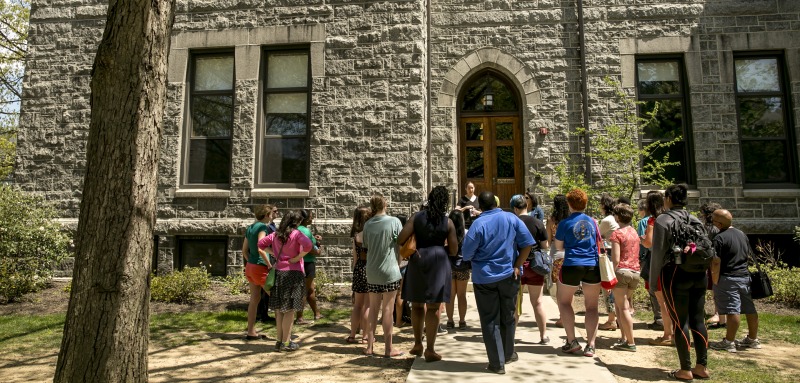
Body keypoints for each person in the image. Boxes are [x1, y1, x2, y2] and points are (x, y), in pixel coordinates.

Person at [462, 191, 534, 374]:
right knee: (508, 316)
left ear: (480, 207)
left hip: (484, 279)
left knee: (489, 320)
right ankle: (509, 354)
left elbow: (467, 253)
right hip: (509, 275)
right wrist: (518, 265)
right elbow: (527, 244)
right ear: (495, 203)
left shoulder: (477, 225)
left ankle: (497, 363)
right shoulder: (510, 218)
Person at [650, 184, 711, 381]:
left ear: (668, 198)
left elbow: (657, 254)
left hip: (675, 273)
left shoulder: (663, 220)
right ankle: (701, 366)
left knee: (679, 320)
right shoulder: (695, 220)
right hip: (699, 273)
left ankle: (684, 369)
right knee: (698, 319)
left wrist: (653, 282)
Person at [399, 186, 458, 362]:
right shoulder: (447, 222)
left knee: (417, 304)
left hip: (418, 259)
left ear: (430, 199)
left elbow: (400, 239)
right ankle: (430, 350)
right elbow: (454, 250)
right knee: (433, 307)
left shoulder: (416, 217)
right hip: (439, 260)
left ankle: (417, 344)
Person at [553, 188, 603, 357]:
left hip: (572, 264)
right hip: (592, 265)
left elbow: (559, 247)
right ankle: (591, 344)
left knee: (565, 302)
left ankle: (572, 341)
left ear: (569, 204)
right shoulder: (593, 221)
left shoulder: (565, 223)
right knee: (592, 306)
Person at [258, 210, 312, 352]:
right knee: (289, 310)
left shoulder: (276, 234)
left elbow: (261, 244)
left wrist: (275, 254)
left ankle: (279, 341)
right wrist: (297, 257)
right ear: (296, 222)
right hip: (293, 274)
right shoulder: (297, 234)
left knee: (279, 309)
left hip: (279, 272)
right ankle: (286, 343)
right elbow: (309, 245)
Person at [709, 209, 761, 353]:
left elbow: (716, 261)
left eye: (713, 220)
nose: (712, 222)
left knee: (732, 310)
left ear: (719, 223)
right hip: (744, 276)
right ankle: (752, 339)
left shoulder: (719, 238)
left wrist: (715, 280)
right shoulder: (742, 234)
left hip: (728, 278)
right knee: (750, 309)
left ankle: (729, 342)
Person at [363, 194, 404, 358]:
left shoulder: (367, 225)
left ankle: (369, 346)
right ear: (385, 204)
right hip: (390, 270)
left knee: (373, 308)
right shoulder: (394, 222)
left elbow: (365, 246)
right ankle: (388, 348)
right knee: (388, 309)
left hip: (372, 271)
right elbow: (401, 244)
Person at [510, 194, 549, 344]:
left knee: (515, 303)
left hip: (517, 266)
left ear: (515, 208)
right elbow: (545, 245)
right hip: (535, 266)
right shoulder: (537, 222)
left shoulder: (513, 222)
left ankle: (511, 336)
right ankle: (543, 335)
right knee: (537, 302)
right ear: (527, 206)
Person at [642, 190, 674, 346]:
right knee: (672, 302)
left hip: (659, 265)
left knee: (663, 303)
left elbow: (648, 243)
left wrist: (642, 238)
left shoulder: (653, 221)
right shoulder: (671, 217)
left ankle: (668, 335)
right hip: (674, 263)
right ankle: (673, 333)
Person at [608, 203, 640, 352]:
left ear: (618, 216)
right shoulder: (634, 232)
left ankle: (631, 342)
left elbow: (615, 258)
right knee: (622, 308)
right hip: (635, 272)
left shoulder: (617, 234)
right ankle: (623, 338)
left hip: (622, 271)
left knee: (623, 308)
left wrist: (611, 277)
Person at [243, 204, 277, 340]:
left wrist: (251, 261)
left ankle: (251, 332)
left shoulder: (250, 227)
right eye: (272, 213)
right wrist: (269, 264)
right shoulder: (263, 227)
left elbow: (244, 251)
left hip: (250, 267)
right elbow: (261, 247)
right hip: (261, 267)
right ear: (267, 215)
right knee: (277, 299)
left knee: (254, 299)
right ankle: (284, 336)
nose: (273, 215)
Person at [347, 206, 371, 344]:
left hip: (359, 269)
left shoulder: (356, 236)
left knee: (357, 305)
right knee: (368, 306)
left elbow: (355, 258)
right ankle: (365, 336)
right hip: (370, 269)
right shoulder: (371, 234)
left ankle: (352, 335)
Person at [700, 202, 726, 329]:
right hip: (713, 261)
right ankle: (717, 313)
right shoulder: (718, 228)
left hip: (711, 262)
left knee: (715, 288)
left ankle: (718, 314)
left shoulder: (710, 228)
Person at [598, 193, 620, 331]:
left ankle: (611, 319)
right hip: (618, 254)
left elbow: (598, 236)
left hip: (610, 255)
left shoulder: (607, 220)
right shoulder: (617, 219)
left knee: (608, 287)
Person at [296, 209, 322, 324]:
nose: (312, 218)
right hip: (307, 263)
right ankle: (299, 318)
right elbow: (311, 249)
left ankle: (317, 314)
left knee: (310, 289)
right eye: (311, 216)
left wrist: (315, 240)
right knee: (304, 291)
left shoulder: (296, 230)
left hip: (299, 262)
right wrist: (319, 249)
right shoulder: (305, 231)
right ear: (305, 218)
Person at [445, 209, 470, 330]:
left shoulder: (446, 232)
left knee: (450, 295)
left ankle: (450, 321)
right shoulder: (466, 232)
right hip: (463, 266)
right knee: (462, 295)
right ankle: (462, 321)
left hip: (448, 266)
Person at [547, 194, 569, 328]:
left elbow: (548, 241)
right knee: (569, 287)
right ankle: (568, 315)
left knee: (559, 288)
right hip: (570, 255)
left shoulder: (551, 220)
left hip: (556, 254)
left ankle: (562, 317)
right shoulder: (570, 220)